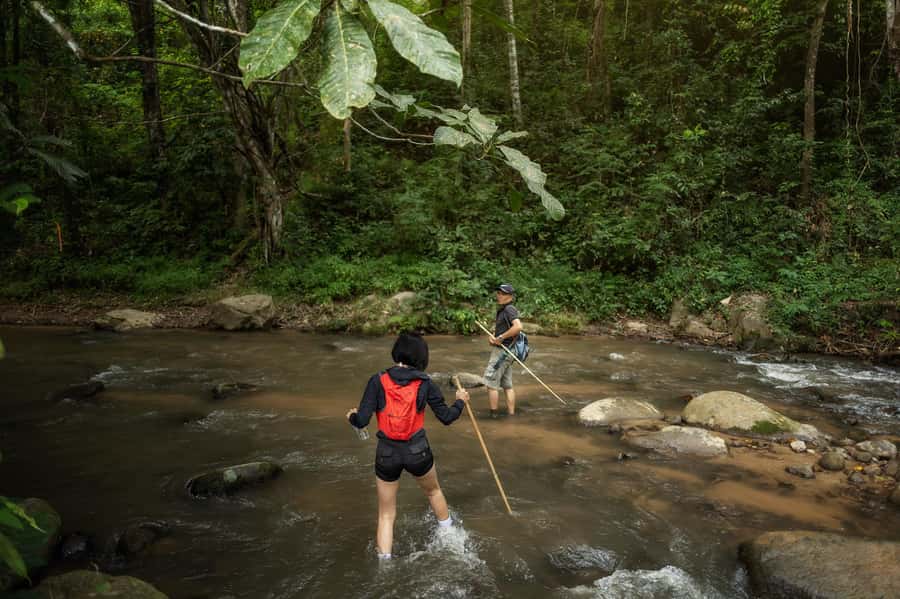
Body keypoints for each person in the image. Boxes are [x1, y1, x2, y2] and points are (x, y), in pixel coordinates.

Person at [346, 332, 470, 560]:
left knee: (385, 514)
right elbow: (447, 417)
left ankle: (384, 566)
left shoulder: (377, 380)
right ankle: (451, 538)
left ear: (397, 352)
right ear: (422, 357)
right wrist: (460, 400)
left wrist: (352, 417)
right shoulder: (425, 383)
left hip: (387, 454)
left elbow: (361, 421)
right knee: (433, 492)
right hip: (418, 451)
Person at [484, 283, 523, 417]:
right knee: (507, 385)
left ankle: (493, 416)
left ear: (510, 296)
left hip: (502, 352)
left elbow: (518, 327)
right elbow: (504, 330)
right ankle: (511, 415)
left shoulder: (509, 309)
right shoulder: (502, 310)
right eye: (498, 292)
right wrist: (494, 338)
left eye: (503, 293)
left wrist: (500, 337)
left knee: (490, 383)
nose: (499, 295)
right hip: (508, 351)